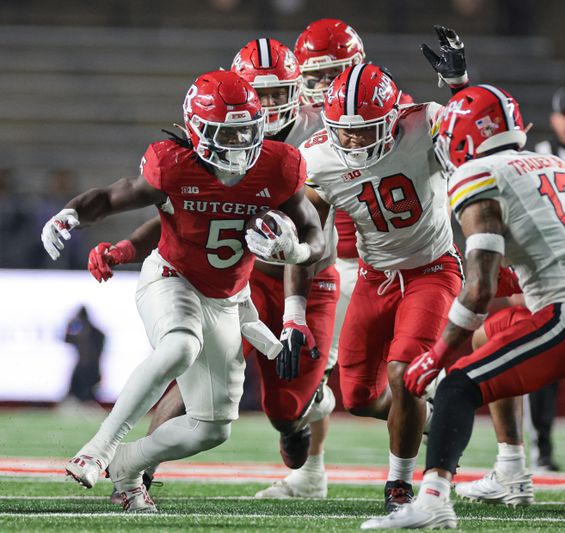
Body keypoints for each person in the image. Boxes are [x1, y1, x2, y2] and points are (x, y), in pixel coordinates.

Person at [43, 69, 325, 512]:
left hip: (228, 299)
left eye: (245, 132)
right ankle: (97, 448)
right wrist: (70, 214)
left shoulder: (277, 165)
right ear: (198, 131)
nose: (238, 145)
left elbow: (314, 234)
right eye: (225, 135)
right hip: (172, 278)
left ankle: (128, 465)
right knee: (179, 348)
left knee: (212, 428)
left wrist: (295, 246)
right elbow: (116, 196)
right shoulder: (173, 164)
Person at [360, 84, 565, 530]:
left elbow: (482, 287)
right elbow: (514, 268)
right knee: (489, 343)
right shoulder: (549, 161)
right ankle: (512, 471)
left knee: (455, 386)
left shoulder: (477, 174)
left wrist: (437, 356)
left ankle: (432, 501)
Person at [295, 26, 469, 512]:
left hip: (432, 269)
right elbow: (309, 228)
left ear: (393, 119)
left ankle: (398, 484)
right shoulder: (320, 156)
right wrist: (281, 237)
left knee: (403, 373)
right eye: (342, 127)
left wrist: (459, 87)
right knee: (357, 396)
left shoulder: (423, 124)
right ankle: (440, 419)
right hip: (374, 278)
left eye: (364, 127)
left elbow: (478, 128)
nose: (350, 136)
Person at [456, 86, 565, 499]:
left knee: (464, 379)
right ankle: (534, 453)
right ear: (550, 120)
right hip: (552, 275)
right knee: (510, 350)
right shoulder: (545, 156)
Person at [63, 305, 106, 406]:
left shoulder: (89, 334)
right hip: (88, 369)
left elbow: (67, 339)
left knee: (87, 399)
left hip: (88, 369)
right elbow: (67, 340)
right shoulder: (94, 333)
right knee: (79, 398)